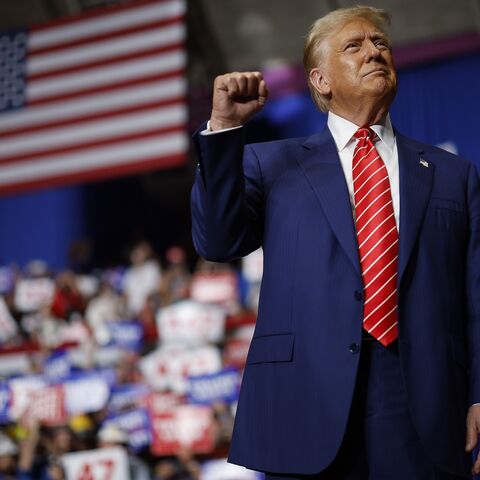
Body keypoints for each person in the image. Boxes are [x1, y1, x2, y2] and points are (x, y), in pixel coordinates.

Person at [190, 5, 480, 480]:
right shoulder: (271, 163)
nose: (374, 52)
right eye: (355, 46)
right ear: (320, 81)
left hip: (424, 400)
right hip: (305, 397)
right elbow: (218, 242)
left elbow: (475, 298)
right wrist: (224, 131)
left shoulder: (453, 173)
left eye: (380, 43)